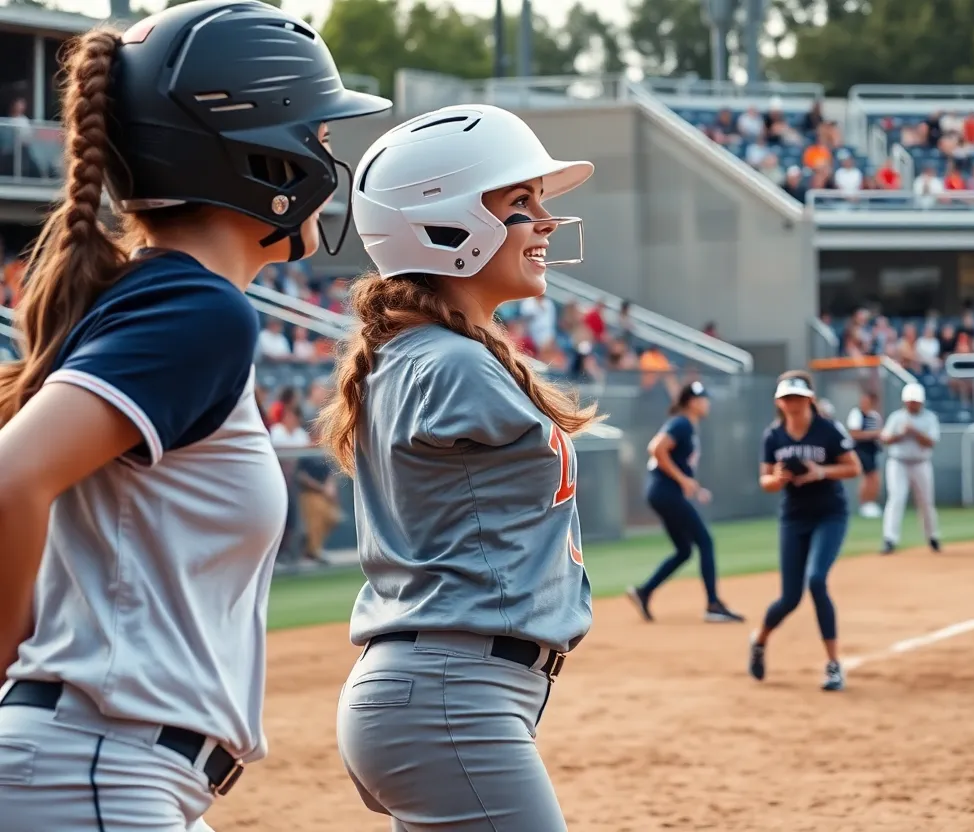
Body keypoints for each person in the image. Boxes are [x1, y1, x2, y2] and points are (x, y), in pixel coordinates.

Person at [0, 5, 388, 829]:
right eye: (317, 132)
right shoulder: (197, 308)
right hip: (97, 767)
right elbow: (11, 480)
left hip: (102, 766)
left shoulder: (163, 297)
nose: (328, 155)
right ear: (258, 151)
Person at [322, 104, 602, 831]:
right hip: (453, 693)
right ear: (441, 221)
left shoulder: (429, 353)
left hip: (445, 692)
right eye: (519, 202)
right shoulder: (450, 363)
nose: (543, 219)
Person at [748, 372, 861, 690]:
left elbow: (853, 467)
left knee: (816, 580)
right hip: (794, 518)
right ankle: (759, 640)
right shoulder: (773, 436)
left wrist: (820, 472)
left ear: (809, 399)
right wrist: (780, 478)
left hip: (829, 515)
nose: (792, 404)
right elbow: (765, 481)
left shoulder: (828, 430)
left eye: (797, 398)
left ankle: (833, 664)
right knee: (789, 598)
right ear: (778, 403)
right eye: (787, 399)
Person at [627, 381, 745, 623]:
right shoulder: (681, 423)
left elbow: (678, 462)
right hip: (665, 491)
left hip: (663, 492)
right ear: (691, 402)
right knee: (705, 541)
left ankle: (644, 591)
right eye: (703, 398)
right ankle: (713, 604)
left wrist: (693, 486)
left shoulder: (688, 426)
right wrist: (682, 480)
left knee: (684, 550)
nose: (706, 403)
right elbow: (656, 448)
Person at [879, 382, 942, 554]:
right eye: (910, 401)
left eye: (915, 401)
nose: (912, 404)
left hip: (921, 463)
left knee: (926, 502)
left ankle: (932, 537)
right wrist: (901, 433)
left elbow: (931, 442)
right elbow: (885, 439)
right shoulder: (896, 417)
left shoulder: (929, 418)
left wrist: (914, 432)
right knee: (896, 499)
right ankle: (890, 539)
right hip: (898, 462)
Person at [845, 390, 884, 518]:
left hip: (872, 449)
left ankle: (871, 503)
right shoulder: (856, 414)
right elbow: (854, 434)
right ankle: (864, 504)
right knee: (867, 477)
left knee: (874, 478)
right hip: (860, 449)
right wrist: (874, 434)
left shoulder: (875, 416)